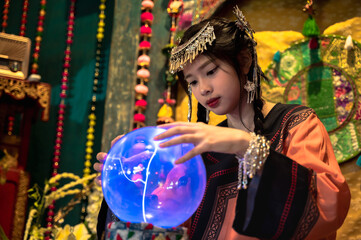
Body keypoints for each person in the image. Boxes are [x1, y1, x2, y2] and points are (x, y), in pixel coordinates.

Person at [95, 6, 350, 240]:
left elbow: (325, 208)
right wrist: (133, 181)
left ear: (244, 61)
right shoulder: (199, 150)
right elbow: (166, 220)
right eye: (192, 82)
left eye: (211, 71)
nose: (203, 89)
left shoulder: (295, 125)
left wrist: (246, 146)